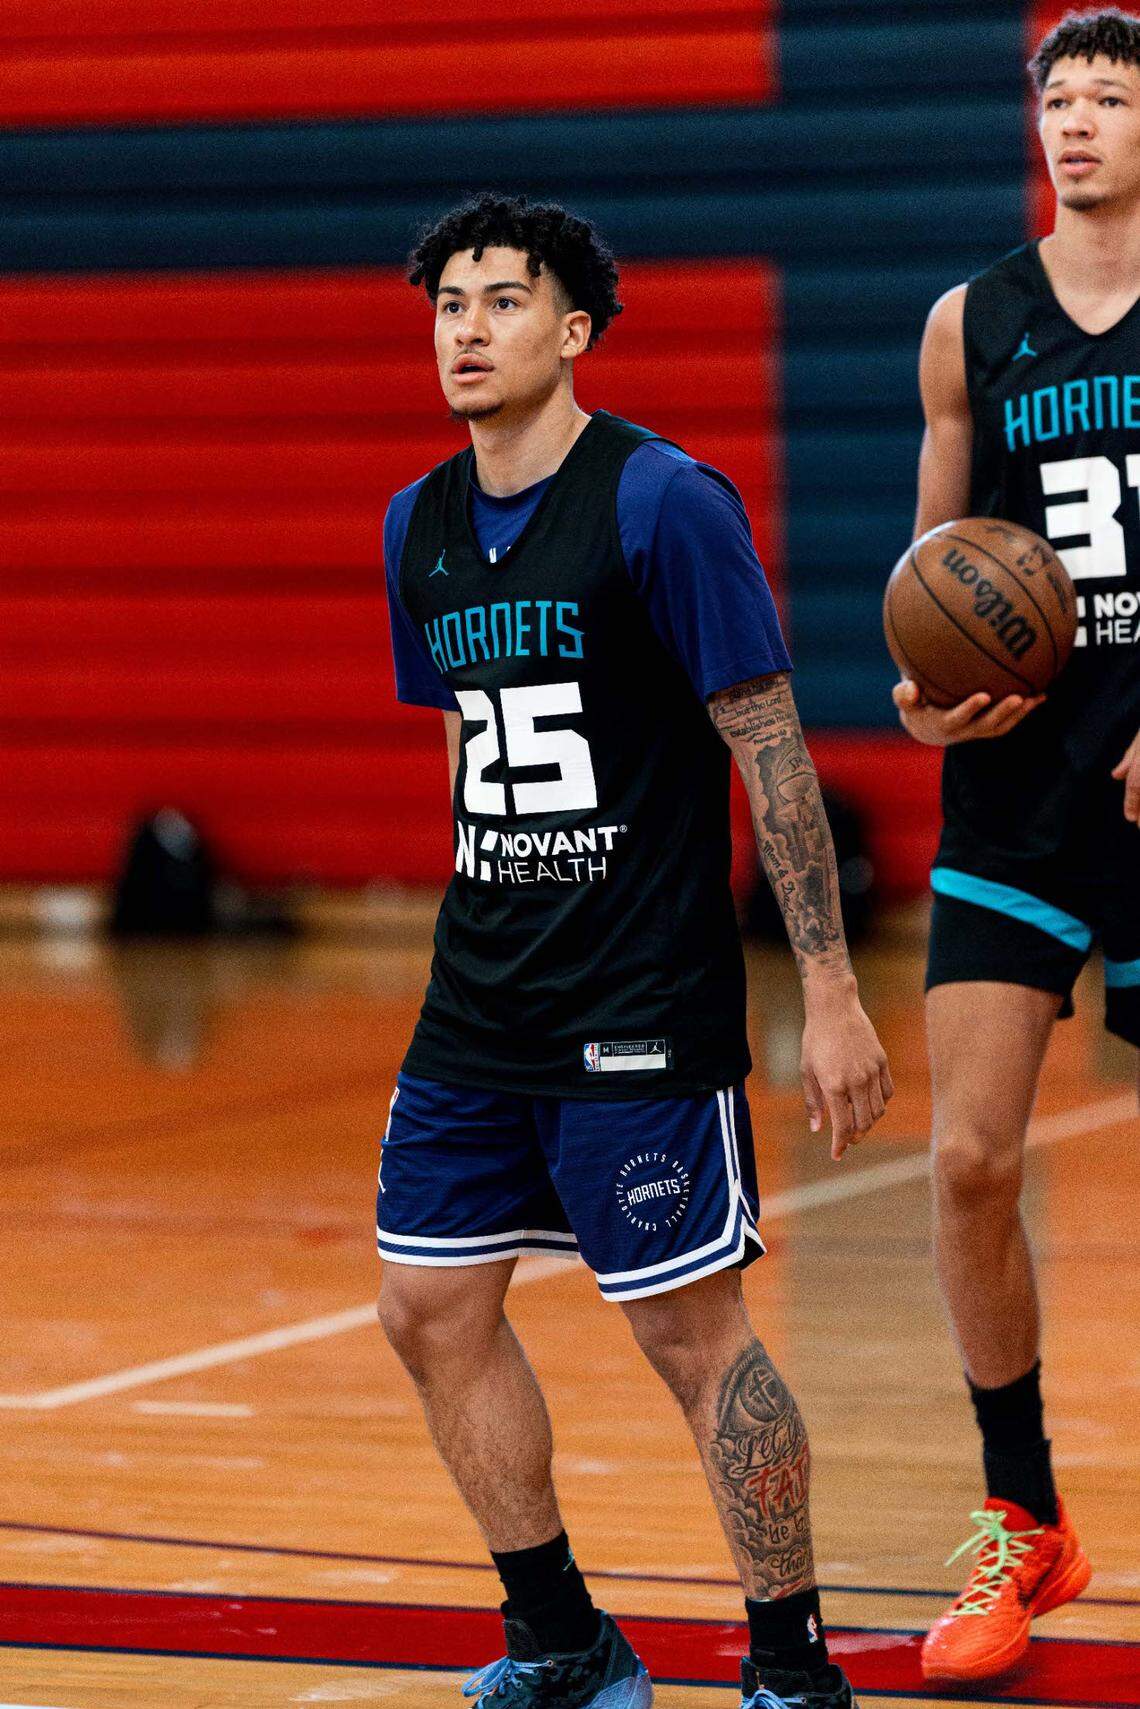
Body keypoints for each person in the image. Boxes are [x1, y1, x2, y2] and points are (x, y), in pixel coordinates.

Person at [378, 192, 892, 1709]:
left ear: (575, 329)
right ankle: (560, 1636)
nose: (468, 330)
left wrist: (835, 988)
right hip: (479, 1003)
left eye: (503, 302)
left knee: (687, 1328)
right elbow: (483, 758)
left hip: (639, 1008)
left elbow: (771, 747)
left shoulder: (668, 503)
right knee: (426, 1305)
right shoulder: (417, 524)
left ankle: (792, 1662)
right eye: (449, 306)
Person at [896, 8, 1140, 1686]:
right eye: (1057, 100)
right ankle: (1023, 1518)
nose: (1077, 125)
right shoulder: (970, 321)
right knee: (972, 1158)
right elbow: (937, 559)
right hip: (1019, 790)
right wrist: (921, 697)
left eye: (1112, 101)